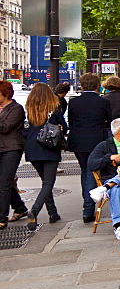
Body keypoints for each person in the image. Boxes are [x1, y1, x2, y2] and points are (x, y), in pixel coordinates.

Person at [67, 73, 112, 223]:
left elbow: (71, 123)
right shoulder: (103, 102)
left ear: (81, 85)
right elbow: (109, 122)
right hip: (96, 140)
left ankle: (87, 205)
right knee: (91, 172)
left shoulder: (73, 102)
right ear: (96, 85)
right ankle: (88, 208)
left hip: (78, 141)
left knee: (85, 171)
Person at [23, 83, 68, 228]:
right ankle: (34, 210)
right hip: (49, 148)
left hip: (32, 148)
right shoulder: (54, 109)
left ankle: (52, 212)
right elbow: (64, 127)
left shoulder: (30, 110)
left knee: (45, 182)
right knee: (48, 183)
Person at [0, 81, 28, 229]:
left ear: (5, 93)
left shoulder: (16, 109)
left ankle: (1, 217)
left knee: (4, 182)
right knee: (6, 182)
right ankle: (20, 208)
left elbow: (5, 128)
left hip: (11, 148)